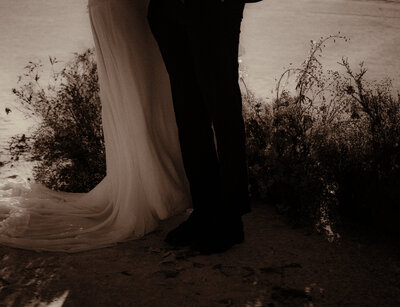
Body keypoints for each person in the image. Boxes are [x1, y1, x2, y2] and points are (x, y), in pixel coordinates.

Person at [0, 0, 191, 252]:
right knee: (136, 94)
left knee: (151, 92)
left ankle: (168, 183)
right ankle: (155, 187)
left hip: (135, 6)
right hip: (120, 6)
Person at [147, 0, 261, 254]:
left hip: (215, 7)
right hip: (168, 9)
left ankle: (231, 219)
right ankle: (205, 210)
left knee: (223, 108)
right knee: (188, 113)